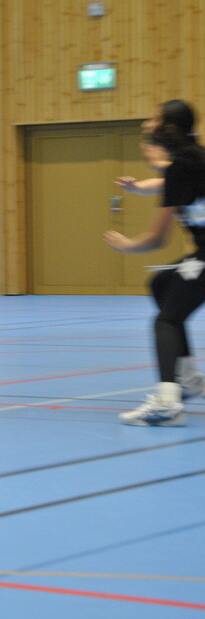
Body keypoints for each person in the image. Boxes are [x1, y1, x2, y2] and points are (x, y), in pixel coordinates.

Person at [105, 99, 205, 426]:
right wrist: (137, 187)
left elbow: (156, 239)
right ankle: (187, 377)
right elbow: (164, 183)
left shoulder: (181, 169)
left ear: (169, 129)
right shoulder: (191, 161)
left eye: (154, 119)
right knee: (162, 283)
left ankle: (167, 404)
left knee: (167, 320)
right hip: (201, 256)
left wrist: (128, 246)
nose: (147, 124)